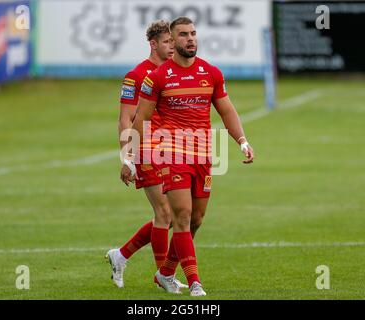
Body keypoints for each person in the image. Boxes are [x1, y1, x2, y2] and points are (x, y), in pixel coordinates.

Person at [128, 17, 255, 297]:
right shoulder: (158, 77)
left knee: (197, 218)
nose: (191, 39)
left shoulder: (210, 72)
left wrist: (242, 141)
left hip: (203, 154)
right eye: (184, 34)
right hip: (171, 153)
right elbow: (142, 118)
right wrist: (132, 156)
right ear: (172, 41)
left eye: (194, 33)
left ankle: (165, 273)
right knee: (182, 215)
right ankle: (195, 282)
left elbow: (227, 111)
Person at [106, 20, 190, 290]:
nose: (171, 47)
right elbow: (124, 119)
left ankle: (121, 255)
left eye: (172, 42)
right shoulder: (136, 76)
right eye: (166, 42)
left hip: (171, 151)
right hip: (146, 150)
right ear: (153, 44)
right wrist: (127, 158)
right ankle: (163, 277)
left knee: (171, 214)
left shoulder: (174, 72)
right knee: (165, 212)